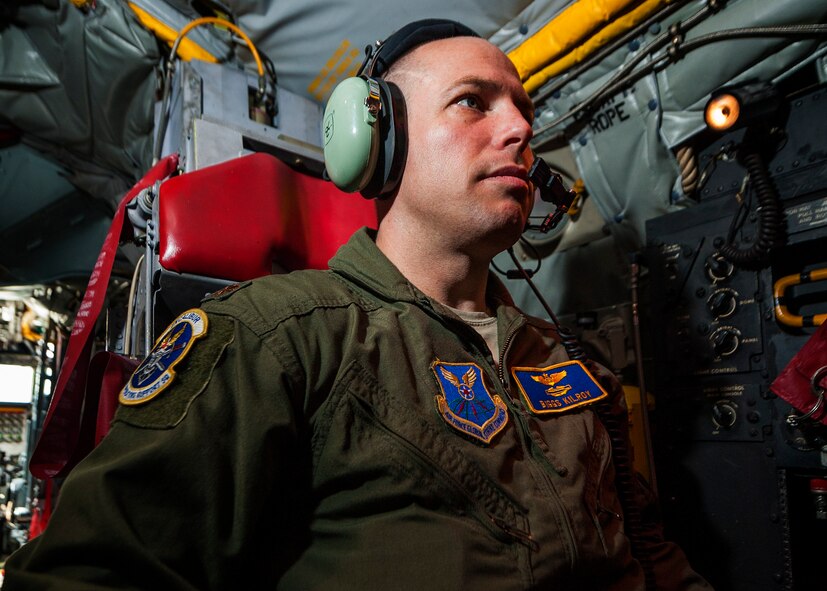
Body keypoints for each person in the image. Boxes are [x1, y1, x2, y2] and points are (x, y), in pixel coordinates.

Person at [2, 19, 712, 590]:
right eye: (473, 102)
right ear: (376, 141)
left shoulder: (567, 364)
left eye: (523, 108)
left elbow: (648, 557)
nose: (521, 131)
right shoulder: (273, 339)